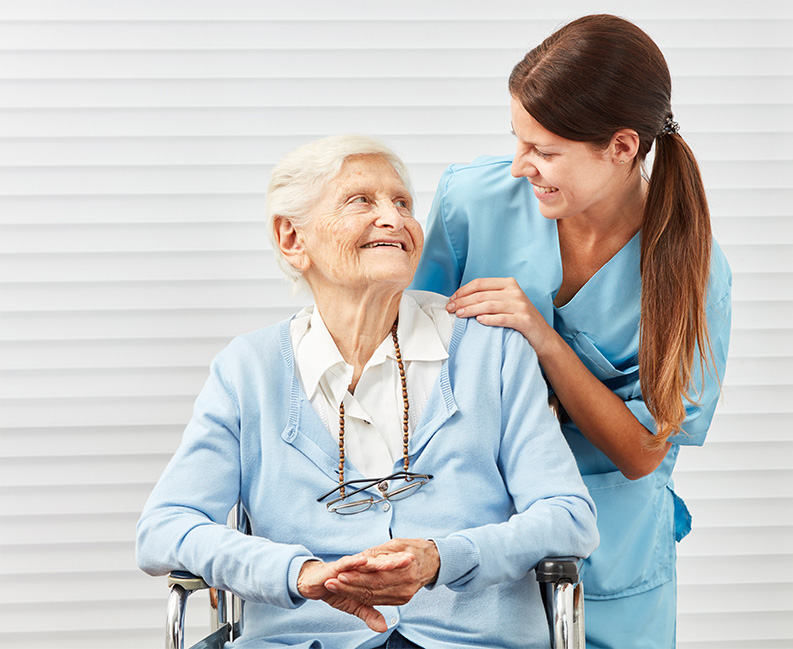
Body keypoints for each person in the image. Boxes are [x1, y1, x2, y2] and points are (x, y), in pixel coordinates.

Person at [136, 134, 599, 649]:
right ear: (292, 238)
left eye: (403, 203)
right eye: (361, 201)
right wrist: (297, 573)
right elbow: (164, 527)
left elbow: (568, 517)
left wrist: (445, 558)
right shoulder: (248, 370)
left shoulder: (492, 352)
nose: (395, 219)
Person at [410, 14, 732, 649]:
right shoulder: (470, 202)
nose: (518, 167)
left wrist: (543, 339)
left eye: (545, 151)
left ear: (622, 146)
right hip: (473, 531)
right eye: (518, 140)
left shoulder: (692, 270)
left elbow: (642, 452)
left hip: (611, 558)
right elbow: (411, 363)